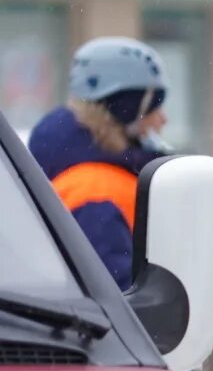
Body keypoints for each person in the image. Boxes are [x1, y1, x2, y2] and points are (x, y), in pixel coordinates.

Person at [29, 37, 169, 291]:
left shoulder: (81, 168)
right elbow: (119, 303)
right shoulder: (96, 194)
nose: (163, 119)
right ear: (125, 110)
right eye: (153, 106)